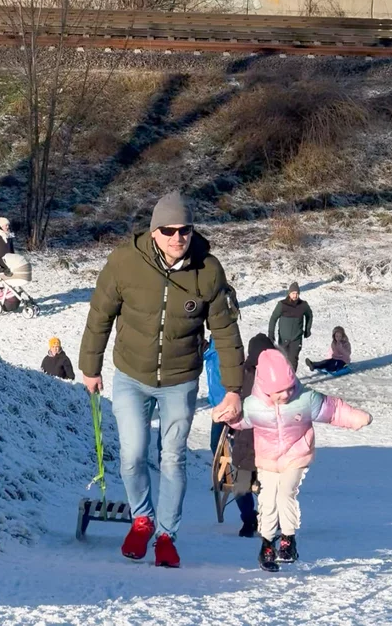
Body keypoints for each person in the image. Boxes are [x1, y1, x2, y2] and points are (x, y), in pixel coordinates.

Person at [79, 191, 244, 568]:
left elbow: (225, 332)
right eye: (168, 230)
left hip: (180, 380)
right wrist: (90, 366)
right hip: (131, 375)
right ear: (154, 231)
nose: (177, 237)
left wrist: (233, 390)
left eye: (184, 230)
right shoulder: (125, 262)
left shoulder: (208, 270)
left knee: (172, 459)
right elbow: (100, 314)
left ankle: (167, 536)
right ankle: (142, 520)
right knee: (132, 455)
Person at [212, 349, 372, 572]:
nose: (286, 394)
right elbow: (239, 421)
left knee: (286, 492)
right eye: (279, 392)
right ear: (265, 388)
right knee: (268, 499)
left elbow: (332, 410)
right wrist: (228, 415)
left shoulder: (304, 398)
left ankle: (288, 540)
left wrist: (356, 418)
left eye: (289, 388)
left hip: (296, 455)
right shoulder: (254, 405)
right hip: (268, 459)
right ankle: (267, 544)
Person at [207, 333, 276, 538]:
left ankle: (266, 518)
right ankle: (249, 518)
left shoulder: (277, 379)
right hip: (246, 445)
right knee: (242, 486)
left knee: (262, 486)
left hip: (265, 448)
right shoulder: (241, 377)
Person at [268, 282, 313, 372]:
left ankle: (292, 378)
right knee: (282, 360)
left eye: (297, 293)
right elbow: (273, 318)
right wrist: (271, 333)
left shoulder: (303, 305)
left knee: (293, 361)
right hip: (283, 338)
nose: (295, 296)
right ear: (289, 293)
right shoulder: (282, 305)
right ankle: (281, 378)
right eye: (293, 293)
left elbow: (309, 315)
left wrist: (307, 329)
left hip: (296, 339)